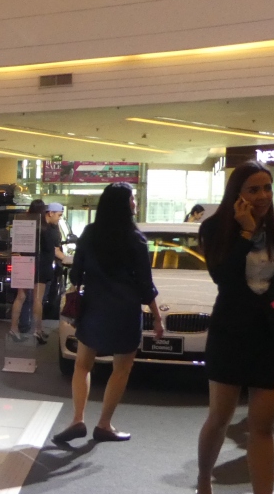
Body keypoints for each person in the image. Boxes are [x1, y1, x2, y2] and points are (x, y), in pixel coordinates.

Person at [193, 161, 274, 494]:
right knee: (219, 417)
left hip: (268, 335)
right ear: (237, 193)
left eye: (267, 187)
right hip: (230, 333)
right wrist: (247, 232)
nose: (263, 195)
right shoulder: (214, 228)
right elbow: (223, 277)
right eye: (254, 189)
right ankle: (204, 483)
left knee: (263, 426)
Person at [53, 182, 162, 444]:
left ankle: (77, 419)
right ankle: (104, 425)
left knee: (82, 365)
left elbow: (76, 274)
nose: (135, 203)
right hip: (125, 312)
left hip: (94, 308)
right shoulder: (135, 239)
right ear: (123, 204)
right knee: (121, 369)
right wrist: (157, 317)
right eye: (132, 198)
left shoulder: (90, 233)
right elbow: (145, 285)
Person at [11, 200, 69, 343]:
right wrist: (68, 259)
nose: (59, 218)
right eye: (59, 215)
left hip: (23, 263)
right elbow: (54, 250)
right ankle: (37, 330)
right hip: (41, 266)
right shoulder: (47, 230)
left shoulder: (25, 225)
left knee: (20, 297)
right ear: (48, 212)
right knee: (38, 299)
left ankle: (13, 328)